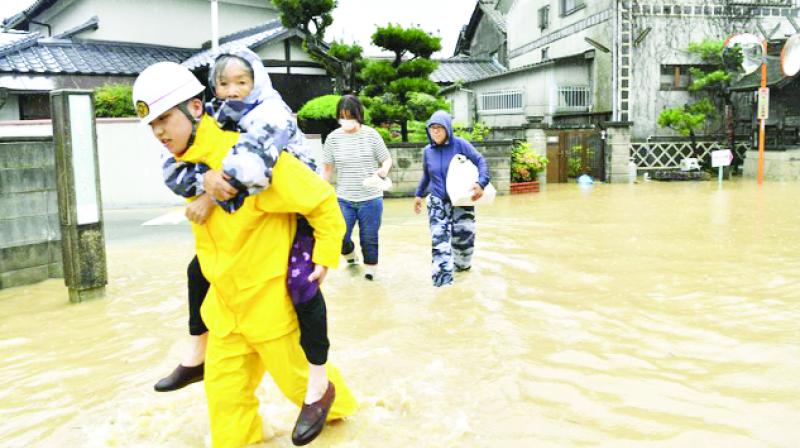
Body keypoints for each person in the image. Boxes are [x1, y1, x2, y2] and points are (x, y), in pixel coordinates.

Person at [133, 61, 356, 447]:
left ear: (196, 109)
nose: (158, 132)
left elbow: (321, 200)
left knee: (322, 404)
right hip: (225, 314)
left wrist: (324, 255)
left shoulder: (254, 159)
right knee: (226, 414)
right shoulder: (188, 168)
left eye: (165, 118)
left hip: (272, 311)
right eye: (152, 124)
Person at [413, 110, 490, 287]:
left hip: (461, 201)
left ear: (448, 129)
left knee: (464, 241)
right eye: (432, 129)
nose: (436, 132)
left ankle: (462, 272)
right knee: (440, 243)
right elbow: (426, 175)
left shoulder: (460, 144)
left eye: (440, 128)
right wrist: (418, 195)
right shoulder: (427, 151)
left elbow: (481, 161)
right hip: (437, 201)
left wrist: (481, 183)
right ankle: (443, 286)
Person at [321, 95, 392, 281]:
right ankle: (351, 257)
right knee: (340, 236)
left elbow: (386, 158)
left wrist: (383, 170)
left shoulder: (371, 135)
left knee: (369, 239)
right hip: (344, 199)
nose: (346, 120)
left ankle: (370, 276)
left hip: (371, 199)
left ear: (358, 115)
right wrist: (321, 193)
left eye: (350, 116)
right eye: (342, 116)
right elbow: (327, 169)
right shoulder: (332, 138)